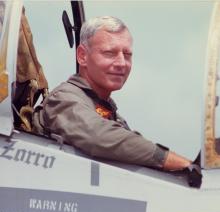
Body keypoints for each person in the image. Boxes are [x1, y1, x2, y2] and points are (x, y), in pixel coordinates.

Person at [35, 16, 192, 171]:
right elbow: (98, 136)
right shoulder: (64, 99)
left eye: (127, 55)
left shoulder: (107, 111)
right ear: (82, 56)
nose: (122, 63)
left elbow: (130, 146)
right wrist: (170, 160)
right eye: (110, 53)